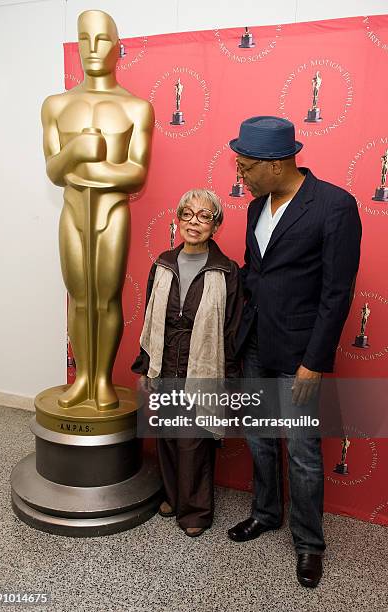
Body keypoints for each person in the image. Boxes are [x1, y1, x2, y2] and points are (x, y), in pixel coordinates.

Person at [227, 116, 362, 587]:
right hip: (256, 344)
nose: (239, 174)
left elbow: (336, 293)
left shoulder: (334, 206)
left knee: (303, 453)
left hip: (300, 352)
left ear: (276, 163)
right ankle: (266, 514)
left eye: (245, 167)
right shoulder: (254, 208)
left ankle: (309, 543)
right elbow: (255, 271)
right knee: (260, 439)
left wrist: (314, 363)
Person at [42, 10, 154, 410]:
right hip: (73, 211)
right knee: (79, 296)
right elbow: (55, 171)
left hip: (111, 213)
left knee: (106, 297)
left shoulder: (136, 108)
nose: (93, 49)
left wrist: (94, 165)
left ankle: (102, 380)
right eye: (84, 39)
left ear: (118, 47)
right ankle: (83, 378)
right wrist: (75, 151)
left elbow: (136, 174)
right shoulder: (56, 105)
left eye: (102, 39)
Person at [132, 189, 243, 537]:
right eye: (188, 214)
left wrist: (230, 379)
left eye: (204, 215)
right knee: (166, 434)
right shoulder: (163, 263)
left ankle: (195, 510)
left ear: (216, 225)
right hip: (166, 362)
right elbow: (151, 318)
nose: (194, 222)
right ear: (178, 219)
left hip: (203, 367)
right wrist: (147, 365)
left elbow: (232, 328)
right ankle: (171, 495)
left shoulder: (226, 270)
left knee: (193, 439)